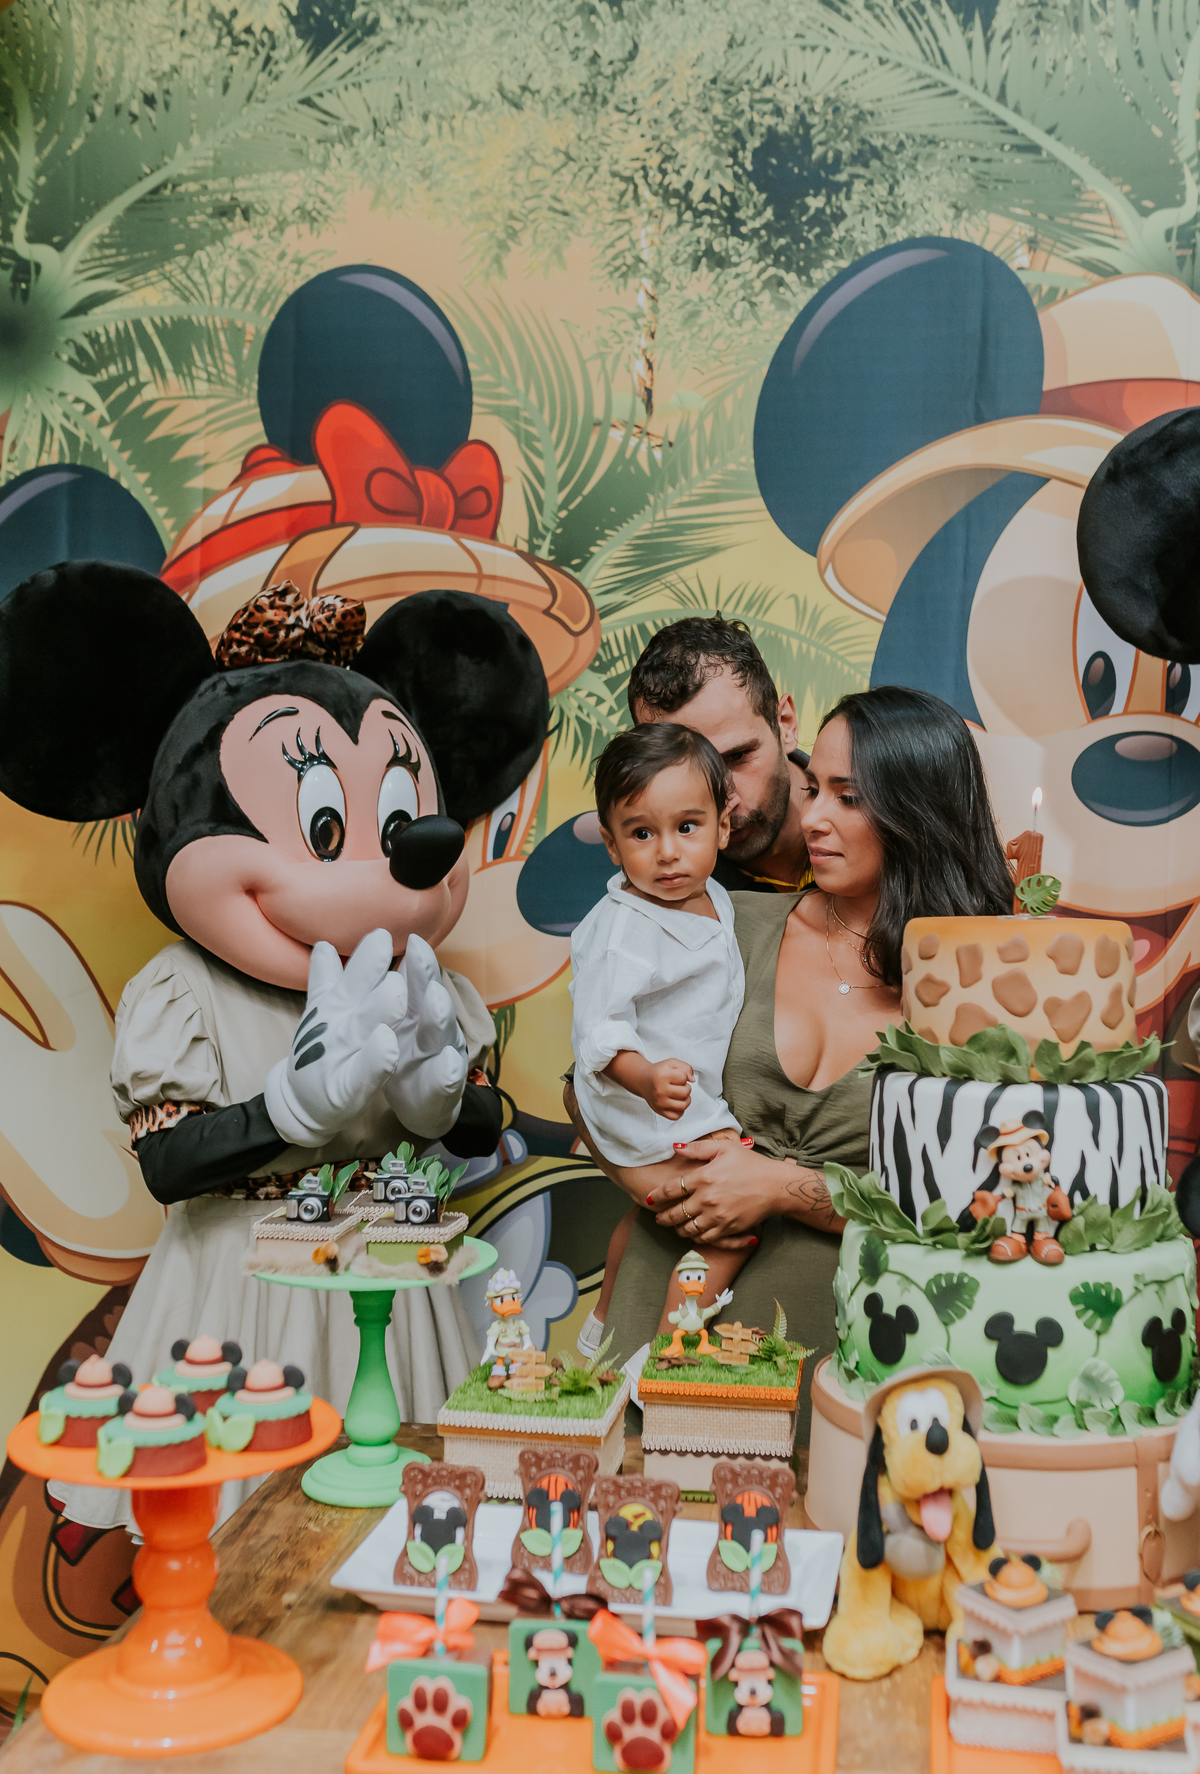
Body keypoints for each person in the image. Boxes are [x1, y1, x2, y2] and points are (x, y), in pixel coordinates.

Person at [572, 685, 1014, 1438]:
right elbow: (589, 1079)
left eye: (848, 797)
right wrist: (662, 1185)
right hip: (659, 1335)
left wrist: (781, 1187)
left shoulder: (978, 991)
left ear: (917, 810)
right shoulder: (721, 924)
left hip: (839, 1368)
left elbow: (972, 1209)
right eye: (814, 789)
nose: (811, 817)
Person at [569, 724, 752, 1353]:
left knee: (649, 1222)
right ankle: (673, 1348)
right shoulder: (624, 929)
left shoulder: (714, 898)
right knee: (725, 1229)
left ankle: (601, 1322)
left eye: (687, 827)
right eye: (642, 834)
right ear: (613, 845)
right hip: (639, 1097)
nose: (668, 853)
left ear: (723, 828)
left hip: (678, 1090)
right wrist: (643, 1078)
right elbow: (598, 1029)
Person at [628, 616, 812, 893]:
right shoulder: (658, 898)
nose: (724, 801)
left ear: (785, 724)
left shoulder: (885, 822)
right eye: (686, 772)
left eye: (737, 757)